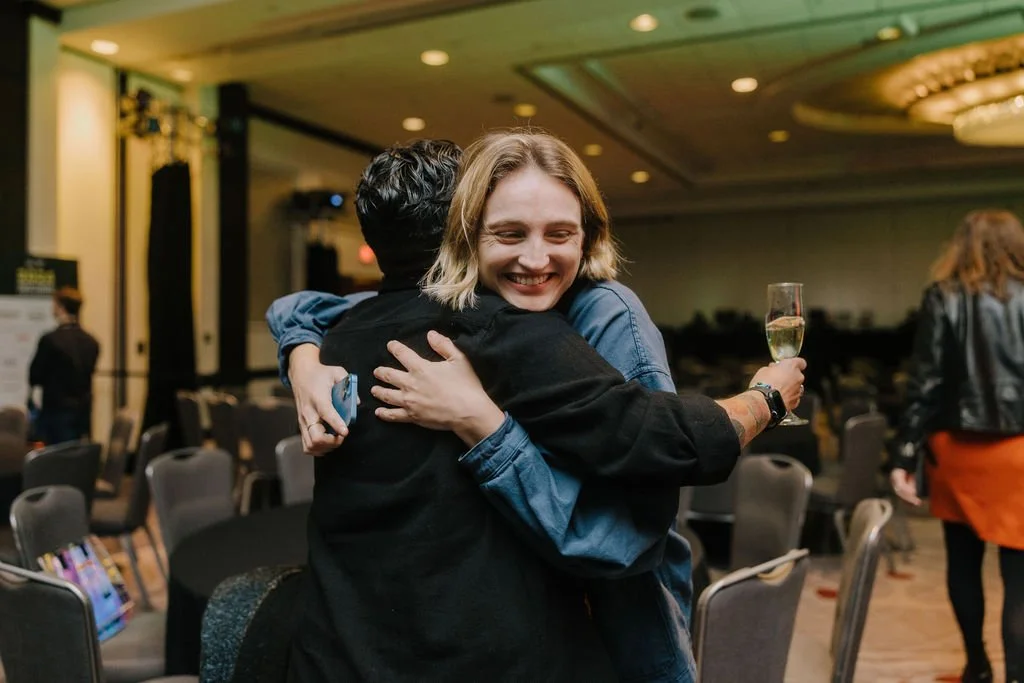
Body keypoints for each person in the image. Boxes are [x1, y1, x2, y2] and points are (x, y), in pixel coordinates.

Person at [273, 134, 805, 682]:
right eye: (506, 232)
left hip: (340, 652)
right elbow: (660, 443)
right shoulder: (492, 325)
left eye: (558, 234)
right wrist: (764, 398)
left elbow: (632, 512)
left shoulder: (344, 334)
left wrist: (306, 352)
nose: (534, 257)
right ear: (464, 228)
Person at [891, 209, 1024, 683]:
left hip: (957, 451)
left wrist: (904, 453)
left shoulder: (942, 296)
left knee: (962, 565)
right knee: (1020, 583)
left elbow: (924, 382)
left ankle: (977, 665)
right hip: (1018, 455)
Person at [28, 287, 100, 445]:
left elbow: (35, 375)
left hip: (55, 412)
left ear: (60, 307)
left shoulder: (50, 340)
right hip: (83, 412)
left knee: (56, 460)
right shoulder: (91, 342)